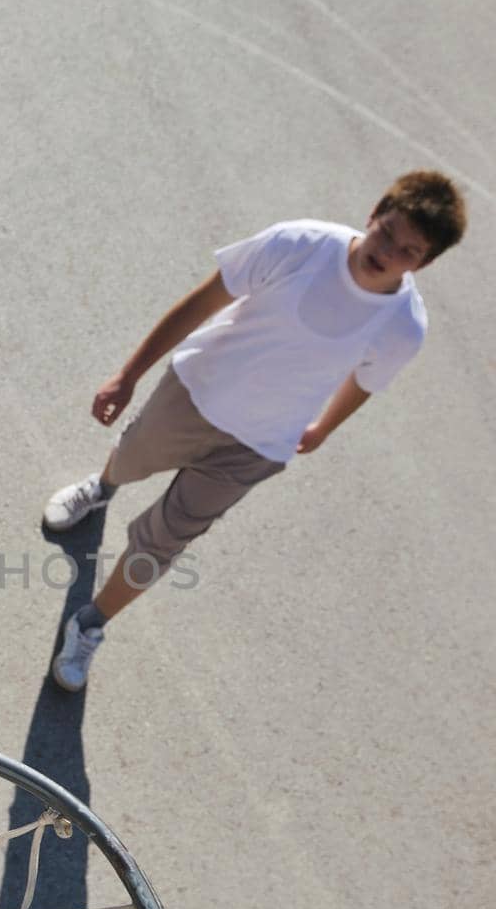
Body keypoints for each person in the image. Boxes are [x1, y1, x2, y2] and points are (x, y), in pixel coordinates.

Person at [44, 171, 467, 691]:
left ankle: (91, 624)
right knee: (131, 457)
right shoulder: (300, 244)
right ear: (374, 213)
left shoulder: (403, 326)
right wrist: (128, 375)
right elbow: (205, 301)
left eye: (408, 251)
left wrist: (323, 429)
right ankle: (103, 488)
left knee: (163, 541)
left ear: (423, 263)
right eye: (387, 233)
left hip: (257, 446)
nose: (388, 252)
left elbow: (365, 381)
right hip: (194, 393)